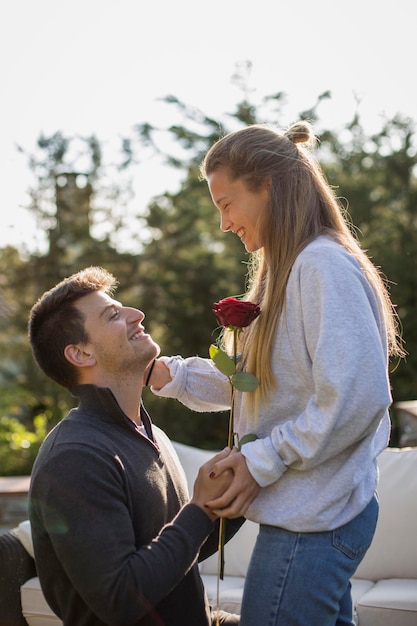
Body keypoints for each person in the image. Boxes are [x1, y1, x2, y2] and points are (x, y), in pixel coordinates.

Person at [145, 121, 405, 626]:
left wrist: (262, 459)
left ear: (267, 185)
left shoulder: (322, 265)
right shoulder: (284, 273)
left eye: (225, 203)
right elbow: (251, 382)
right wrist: (162, 374)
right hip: (304, 514)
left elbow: (356, 397)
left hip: (312, 521)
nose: (223, 223)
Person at [27, 266, 241, 626]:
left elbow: (170, 559)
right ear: (81, 354)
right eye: (113, 315)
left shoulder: (149, 433)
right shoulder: (76, 458)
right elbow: (121, 599)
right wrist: (200, 510)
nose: (136, 314)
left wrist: (226, 504)